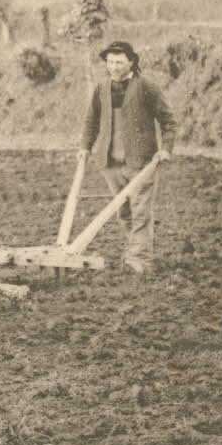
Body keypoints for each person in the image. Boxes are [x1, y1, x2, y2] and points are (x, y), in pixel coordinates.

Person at [79, 40, 175, 274]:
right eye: (110, 62)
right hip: (110, 162)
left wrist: (166, 149)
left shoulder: (147, 87)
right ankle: (135, 252)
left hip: (141, 162)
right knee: (123, 212)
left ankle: (139, 261)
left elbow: (168, 120)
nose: (114, 67)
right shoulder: (101, 88)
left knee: (141, 211)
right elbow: (91, 121)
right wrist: (85, 146)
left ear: (131, 62)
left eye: (119, 62)